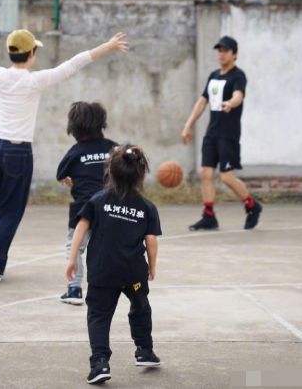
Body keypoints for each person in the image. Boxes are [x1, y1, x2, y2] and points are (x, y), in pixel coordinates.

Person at [0, 29, 128, 282]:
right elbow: (74, 63)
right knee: (10, 209)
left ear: (10, 53)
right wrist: (108, 45)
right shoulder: (35, 80)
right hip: (17, 153)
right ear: (31, 54)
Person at [66, 144, 161, 385]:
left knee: (98, 315)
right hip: (133, 273)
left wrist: (72, 258)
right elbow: (151, 241)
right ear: (141, 175)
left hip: (102, 272)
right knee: (141, 307)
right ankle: (145, 351)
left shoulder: (98, 200)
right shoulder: (147, 207)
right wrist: (152, 266)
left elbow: (81, 228)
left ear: (110, 171)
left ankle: (100, 363)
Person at [181, 36, 262, 231]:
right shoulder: (214, 76)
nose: (221, 54)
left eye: (225, 50)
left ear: (235, 54)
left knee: (226, 177)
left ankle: (252, 206)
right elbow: (202, 102)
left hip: (229, 134)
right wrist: (188, 125)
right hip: (212, 132)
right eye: (219, 50)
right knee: (205, 173)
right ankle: (209, 217)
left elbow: (238, 95)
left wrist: (231, 103)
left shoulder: (238, 75)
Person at [57, 101, 116, 305]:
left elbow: (60, 174)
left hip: (83, 209)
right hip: (111, 207)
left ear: (73, 128)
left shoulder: (75, 152)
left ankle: (74, 289)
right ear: (102, 123)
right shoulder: (113, 148)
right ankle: (109, 287)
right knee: (107, 247)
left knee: (74, 247)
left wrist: (69, 179)